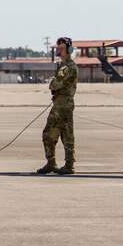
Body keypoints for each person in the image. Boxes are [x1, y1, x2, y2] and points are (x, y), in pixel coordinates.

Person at [37, 36, 78, 175]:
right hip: (60, 104)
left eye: (62, 49)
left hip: (63, 106)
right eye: (58, 49)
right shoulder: (63, 66)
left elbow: (56, 83)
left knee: (66, 135)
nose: (59, 51)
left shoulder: (68, 66)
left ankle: (68, 165)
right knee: (50, 134)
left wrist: (52, 85)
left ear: (69, 50)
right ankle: (52, 163)